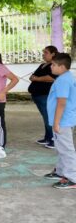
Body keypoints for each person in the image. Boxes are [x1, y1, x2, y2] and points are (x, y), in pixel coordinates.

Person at [44, 53, 76, 189]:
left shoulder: (63, 80)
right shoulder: (67, 77)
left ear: (62, 67)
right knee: (61, 148)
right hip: (64, 119)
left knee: (66, 149)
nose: (51, 67)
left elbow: (61, 102)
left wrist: (56, 122)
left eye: (54, 65)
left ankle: (72, 178)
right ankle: (61, 171)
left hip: (62, 121)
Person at [28, 46, 58, 149]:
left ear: (53, 54)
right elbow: (32, 76)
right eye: (43, 52)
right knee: (45, 117)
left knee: (48, 117)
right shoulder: (42, 65)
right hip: (37, 95)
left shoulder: (54, 66)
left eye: (46, 52)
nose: (43, 54)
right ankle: (47, 137)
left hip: (45, 95)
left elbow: (51, 78)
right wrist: (36, 78)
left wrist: (37, 78)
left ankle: (53, 139)